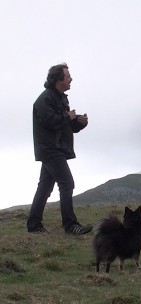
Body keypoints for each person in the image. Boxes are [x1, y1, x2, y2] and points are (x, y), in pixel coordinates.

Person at [27, 63, 92, 235]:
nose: (71, 78)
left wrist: (79, 123)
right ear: (58, 81)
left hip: (56, 148)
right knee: (67, 183)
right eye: (68, 75)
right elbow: (52, 122)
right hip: (50, 149)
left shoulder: (61, 98)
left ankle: (34, 225)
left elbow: (66, 126)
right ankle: (70, 226)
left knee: (45, 187)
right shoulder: (44, 99)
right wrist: (67, 116)